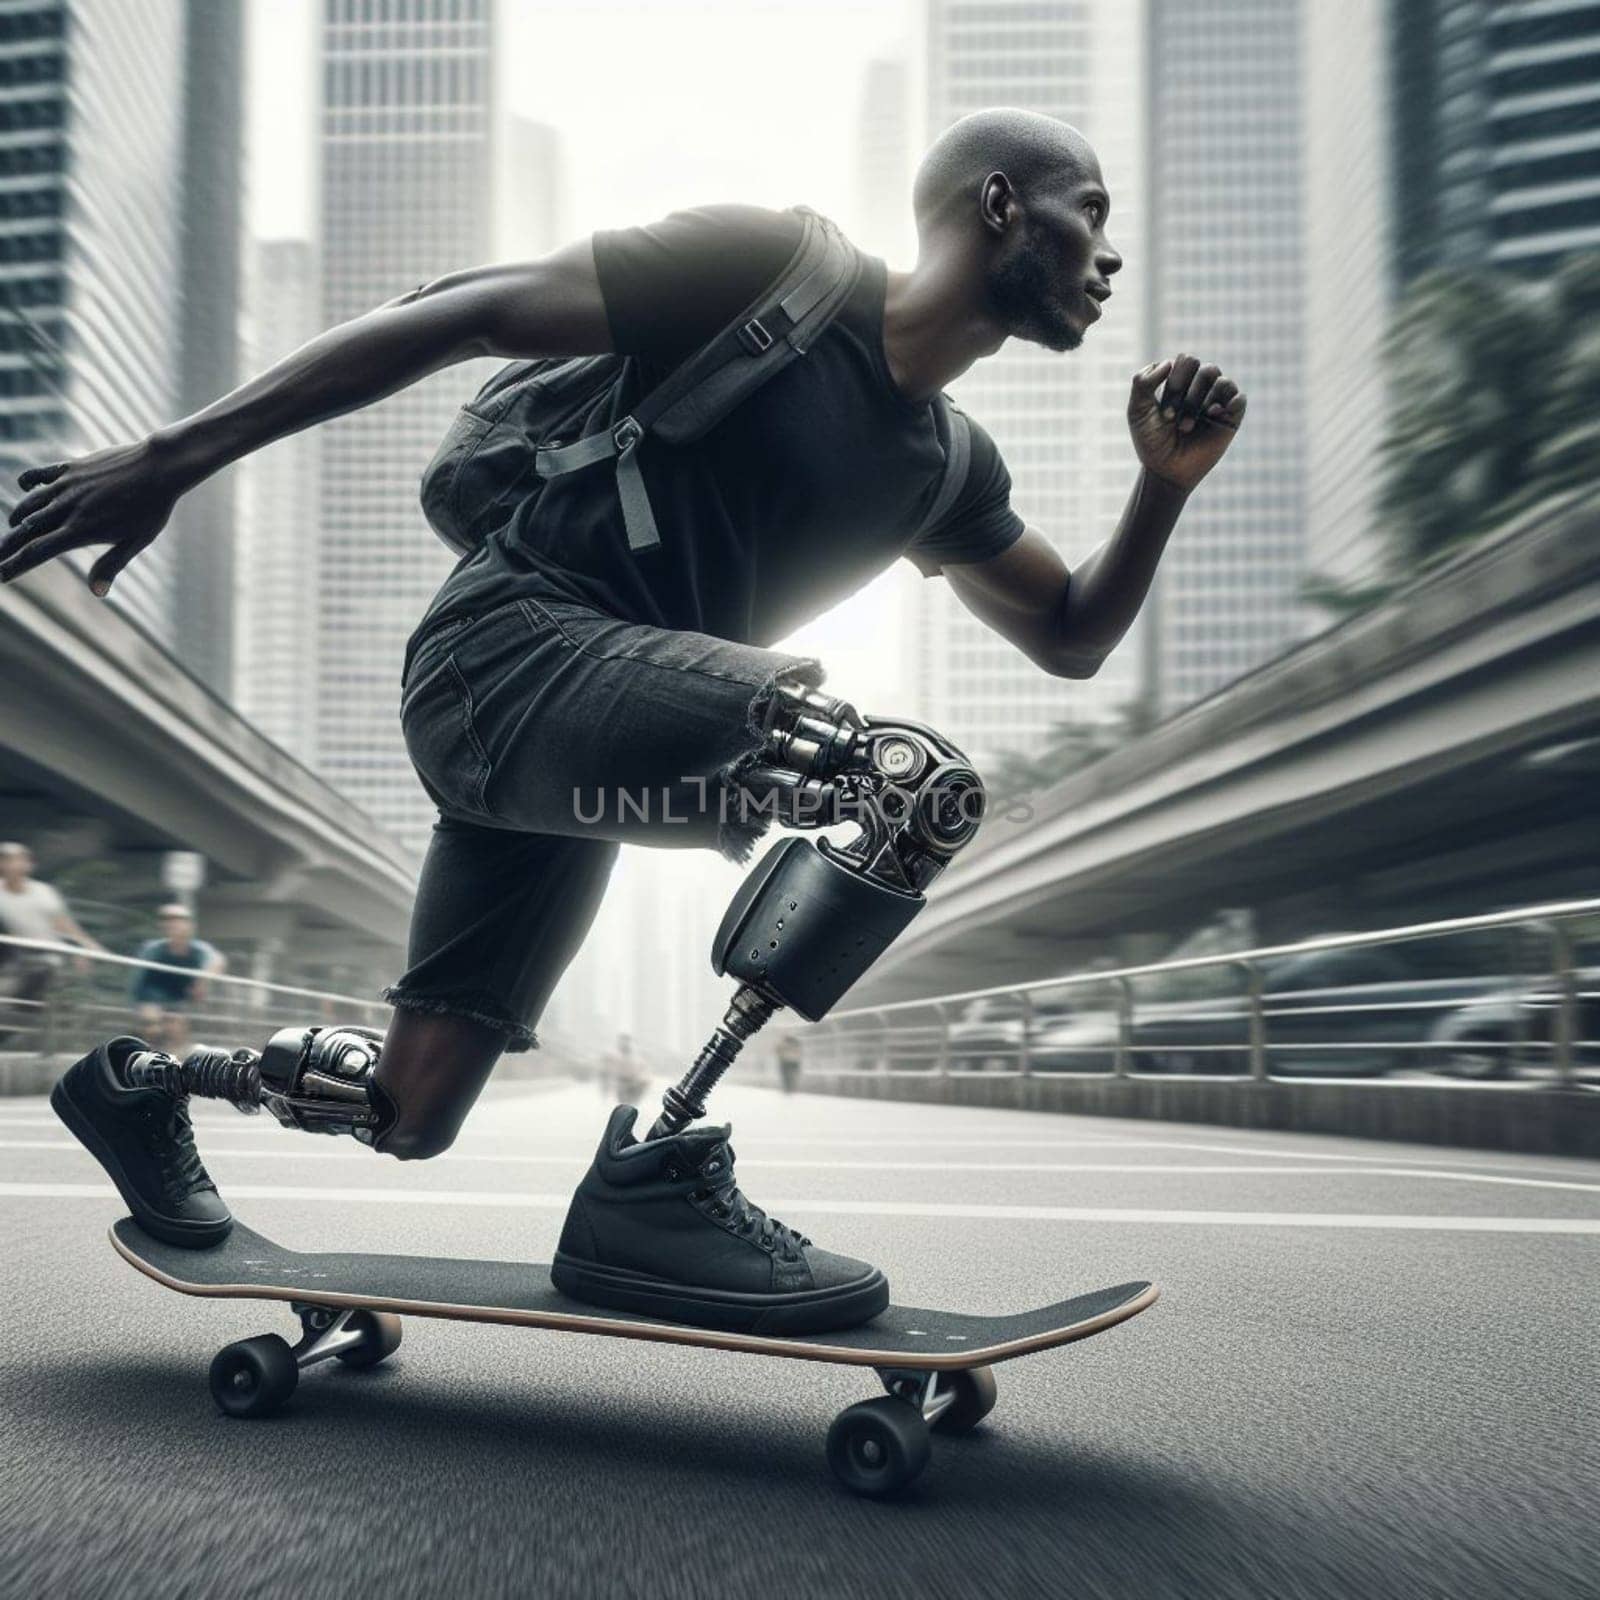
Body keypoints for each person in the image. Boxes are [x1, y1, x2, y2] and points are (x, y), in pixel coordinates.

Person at [7, 110, 1244, 1330]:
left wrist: (1159, 486)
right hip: (502, 657)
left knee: (412, 1107)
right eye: (1089, 210)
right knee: (896, 778)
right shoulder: (774, 273)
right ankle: (652, 1178)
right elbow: (466, 308)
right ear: (996, 207)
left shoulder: (946, 467)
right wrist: (172, 456)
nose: (1106, 251)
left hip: (590, 754)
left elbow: (1072, 635)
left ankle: (143, 1082)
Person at [0, 842, 103, 1047]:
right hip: (18, 957)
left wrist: (84, 946)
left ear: (29, 865)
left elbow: (65, 926)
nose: (13, 865)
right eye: (7, 860)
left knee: (30, 989)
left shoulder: (43, 892)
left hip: (49, 956)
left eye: (18, 860)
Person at [128, 904, 226, 1055]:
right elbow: (139, 983)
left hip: (180, 1001)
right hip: (151, 997)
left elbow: (217, 960)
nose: (172, 923)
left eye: (179, 919)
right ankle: (146, 1056)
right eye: (167, 920)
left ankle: (174, 1062)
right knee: (152, 1023)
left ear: (189, 925)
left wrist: (202, 982)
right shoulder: (153, 949)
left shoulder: (198, 950)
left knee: (176, 1026)